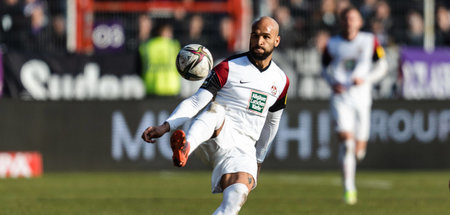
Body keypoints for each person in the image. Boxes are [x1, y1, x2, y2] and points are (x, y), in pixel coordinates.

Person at [142, 16, 289, 214]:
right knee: (216, 110)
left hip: (244, 148)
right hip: (215, 134)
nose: (259, 41)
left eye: (266, 37)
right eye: (255, 36)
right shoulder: (228, 67)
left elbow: (273, 123)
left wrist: (258, 159)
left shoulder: (281, 81)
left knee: (233, 204)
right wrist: (166, 126)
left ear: (276, 41)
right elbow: (196, 101)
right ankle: (185, 148)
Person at [321, 7, 387, 205]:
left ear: (360, 22)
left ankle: (350, 163)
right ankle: (349, 188)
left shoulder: (369, 41)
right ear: (341, 22)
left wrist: (366, 79)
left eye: (353, 19)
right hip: (341, 98)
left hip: (362, 98)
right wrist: (333, 84)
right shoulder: (332, 44)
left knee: (358, 151)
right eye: (346, 19)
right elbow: (324, 68)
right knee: (346, 142)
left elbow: (382, 65)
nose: (349, 22)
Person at [138, 23, 181, 96]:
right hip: (172, 88)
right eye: (169, 32)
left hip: (151, 87)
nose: (171, 35)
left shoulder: (146, 46)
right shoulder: (174, 46)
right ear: (163, 32)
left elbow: (139, 67)